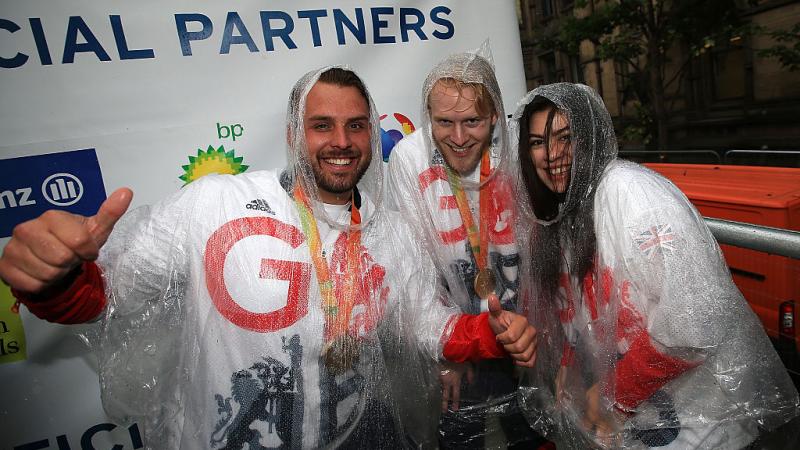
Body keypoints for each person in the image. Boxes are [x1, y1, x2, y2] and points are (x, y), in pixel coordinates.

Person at [0, 67, 538, 449]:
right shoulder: (217, 204)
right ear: (292, 135)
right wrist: (57, 280)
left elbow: (426, 321)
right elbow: (107, 291)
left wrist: (492, 335)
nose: (341, 142)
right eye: (322, 125)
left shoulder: (387, 231)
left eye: (355, 126)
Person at [510, 82, 800, 449]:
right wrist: (573, 370)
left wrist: (616, 393)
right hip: (644, 427)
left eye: (566, 137)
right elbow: (580, 315)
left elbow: (694, 320)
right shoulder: (561, 217)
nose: (551, 154)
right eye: (537, 142)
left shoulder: (634, 195)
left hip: (705, 432)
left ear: (593, 138)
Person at [387, 50, 548, 449]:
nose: (458, 139)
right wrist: (446, 353)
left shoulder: (517, 153)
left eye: (472, 121)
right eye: (444, 122)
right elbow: (412, 274)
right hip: (458, 351)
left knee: (536, 436)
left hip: (527, 343)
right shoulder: (409, 160)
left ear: (495, 115)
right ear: (428, 117)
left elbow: (546, 257)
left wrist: (545, 341)